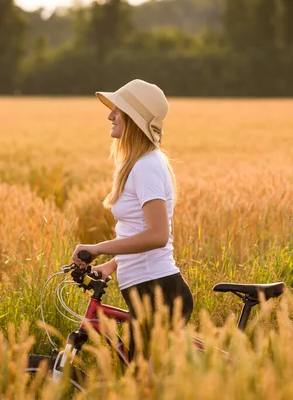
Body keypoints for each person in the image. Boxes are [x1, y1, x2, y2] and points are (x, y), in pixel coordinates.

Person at [71, 78, 194, 360]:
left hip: (158, 292)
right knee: (143, 380)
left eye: (118, 110)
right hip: (148, 289)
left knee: (142, 384)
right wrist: (110, 266)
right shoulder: (139, 164)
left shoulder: (147, 166)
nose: (109, 115)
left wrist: (99, 246)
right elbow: (138, 231)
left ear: (134, 119)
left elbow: (157, 235)